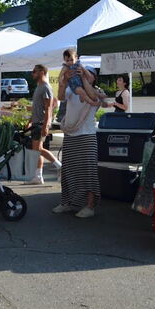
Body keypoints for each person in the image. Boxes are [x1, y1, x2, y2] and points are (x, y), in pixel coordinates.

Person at [54, 65, 107, 218]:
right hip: (71, 134)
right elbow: (61, 96)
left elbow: (93, 97)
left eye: (86, 73)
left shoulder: (98, 91)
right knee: (68, 170)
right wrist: (63, 80)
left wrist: (83, 76)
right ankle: (67, 202)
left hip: (87, 135)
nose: (81, 74)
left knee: (88, 171)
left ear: (93, 77)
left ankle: (90, 206)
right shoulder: (72, 89)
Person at [24, 64, 62, 185]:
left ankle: (60, 166)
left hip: (41, 123)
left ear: (41, 72)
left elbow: (49, 107)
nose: (32, 74)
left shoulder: (45, 87)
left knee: (38, 149)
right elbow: (37, 107)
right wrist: (30, 121)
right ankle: (38, 176)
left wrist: (46, 125)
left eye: (34, 72)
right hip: (36, 122)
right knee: (37, 150)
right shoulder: (39, 86)